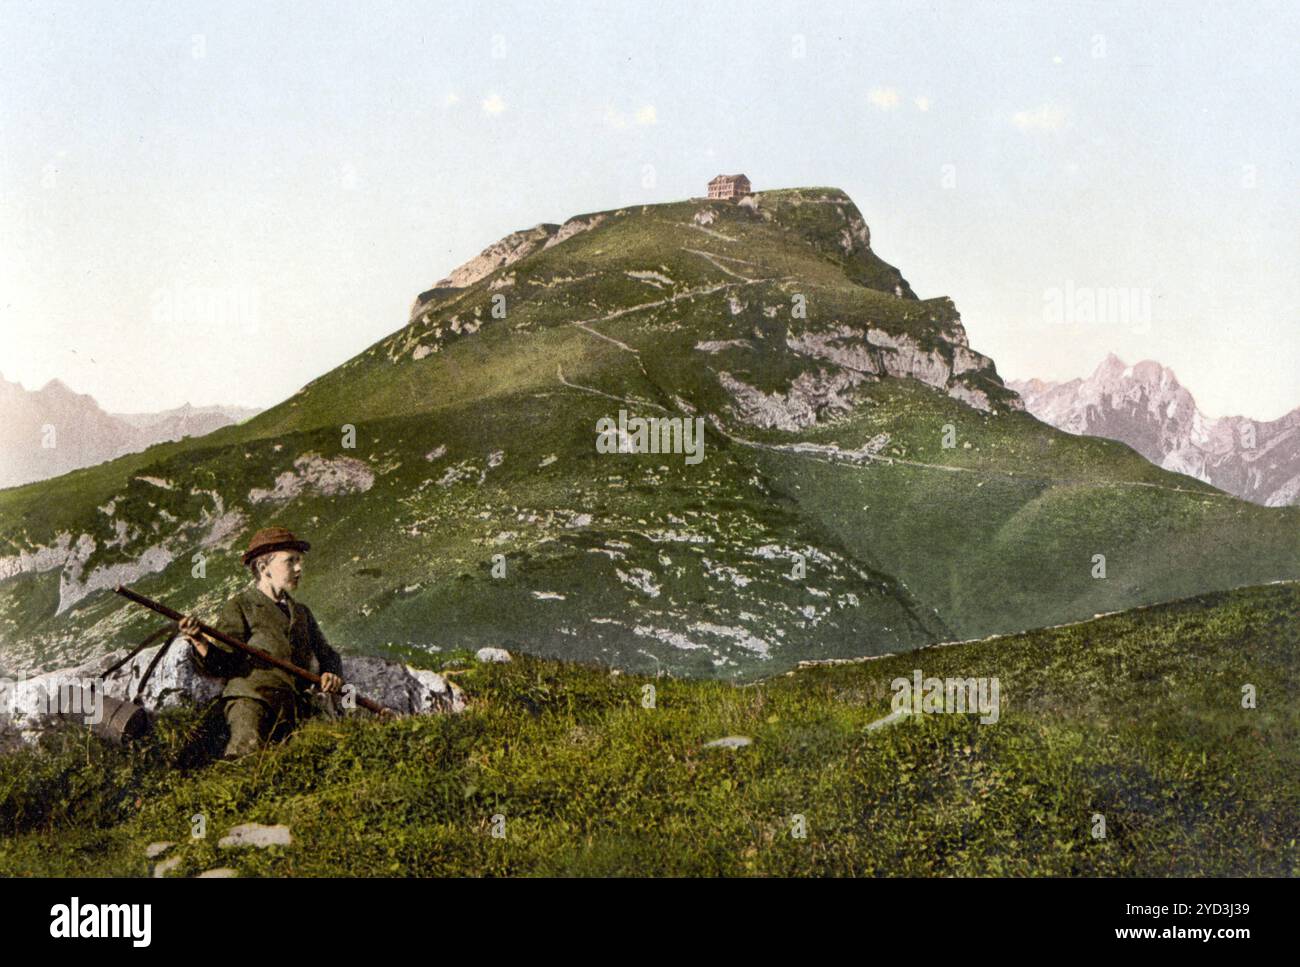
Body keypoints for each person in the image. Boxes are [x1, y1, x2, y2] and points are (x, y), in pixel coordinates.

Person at [178, 526, 344, 759]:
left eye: (299, 561)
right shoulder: (240, 606)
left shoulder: (302, 613)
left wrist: (330, 674)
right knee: (245, 756)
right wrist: (199, 641)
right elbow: (224, 663)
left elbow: (328, 654)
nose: (299, 568)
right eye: (290, 561)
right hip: (252, 700)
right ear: (263, 567)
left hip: (293, 706)